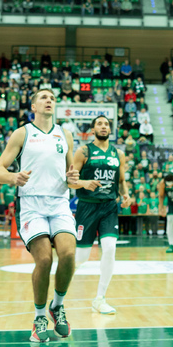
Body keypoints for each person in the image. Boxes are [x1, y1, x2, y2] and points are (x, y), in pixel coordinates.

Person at [0, 88, 79, 343]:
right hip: (31, 204)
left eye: (52, 98)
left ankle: (57, 306)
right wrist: (12, 177)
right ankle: (39, 316)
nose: (49, 100)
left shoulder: (66, 135)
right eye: (43, 97)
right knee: (43, 260)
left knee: (69, 254)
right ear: (34, 106)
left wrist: (74, 179)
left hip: (60, 203)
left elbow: (70, 175)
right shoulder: (22, 133)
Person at [73, 116, 130, 314]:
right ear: (92, 129)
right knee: (80, 258)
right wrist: (83, 183)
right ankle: (58, 294)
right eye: (99, 124)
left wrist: (126, 194)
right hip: (87, 208)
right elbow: (70, 180)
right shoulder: (83, 151)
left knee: (110, 248)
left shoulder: (118, 154)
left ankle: (100, 298)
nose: (103, 126)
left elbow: (121, 180)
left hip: (109, 208)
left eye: (106, 124)